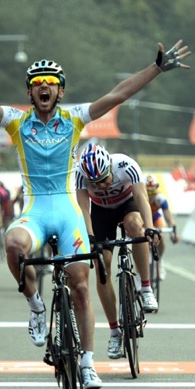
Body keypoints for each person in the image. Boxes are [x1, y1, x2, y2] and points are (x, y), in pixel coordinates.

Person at [0, 35, 190, 389]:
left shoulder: (74, 119)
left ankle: (88, 364)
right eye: (37, 83)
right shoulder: (16, 121)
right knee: (12, 244)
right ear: (29, 92)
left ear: (60, 91)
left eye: (51, 83)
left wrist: (156, 69)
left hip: (68, 212)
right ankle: (36, 305)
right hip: (35, 211)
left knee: (80, 286)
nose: (44, 87)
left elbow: (117, 95)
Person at [75, 143, 160, 360]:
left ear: (110, 167)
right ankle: (114, 332)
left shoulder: (126, 165)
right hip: (101, 212)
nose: (102, 186)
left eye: (104, 179)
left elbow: (141, 198)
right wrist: (90, 237)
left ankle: (146, 287)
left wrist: (150, 228)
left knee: (136, 227)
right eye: (95, 183)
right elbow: (83, 209)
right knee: (102, 265)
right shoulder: (80, 175)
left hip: (126, 204)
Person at [145, 174, 179, 280]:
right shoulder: (139, 196)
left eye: (152, 192)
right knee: (142, 240)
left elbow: (168, 217)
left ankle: (159, 261)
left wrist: (173, 231)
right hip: (143, 219)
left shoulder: (160, 198)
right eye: (148, 192)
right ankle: (141, 266)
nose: (150, 195)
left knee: (161, 237)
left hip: (155, 218)